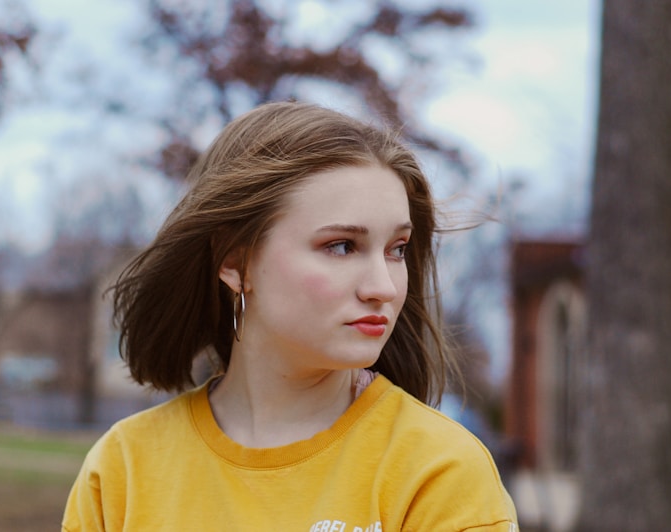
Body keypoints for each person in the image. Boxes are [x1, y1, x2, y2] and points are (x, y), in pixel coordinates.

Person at [62, 101, 518, 531]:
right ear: (235, 261)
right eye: (341, 246)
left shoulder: (440, 471)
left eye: (396, 249)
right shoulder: (124, 468)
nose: (383, 287)